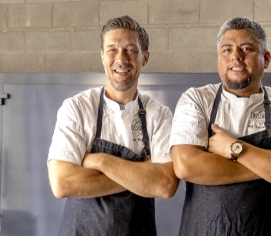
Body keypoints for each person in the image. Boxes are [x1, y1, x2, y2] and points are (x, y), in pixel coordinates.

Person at [169, 17, 271, 236]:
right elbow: (185, 166)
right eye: (227, 50)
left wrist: (235, 148)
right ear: (218, 57)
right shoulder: (197, 99)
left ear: (265, 58)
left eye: (247, 48)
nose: (236, 57)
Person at [47, 15, 179, 236]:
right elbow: (63, 183)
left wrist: (98, 160)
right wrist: (141, 174)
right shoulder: (77, 108)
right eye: (112, 50)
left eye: (130, 50)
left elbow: (165, 185)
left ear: (144, 57)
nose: (121, 59)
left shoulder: (160, 115)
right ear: (102, 56)